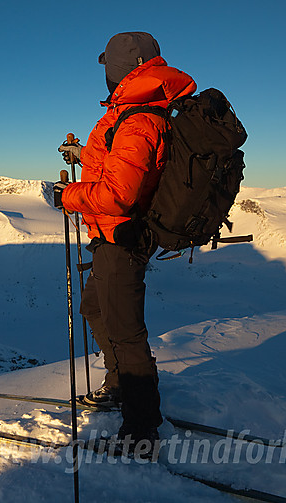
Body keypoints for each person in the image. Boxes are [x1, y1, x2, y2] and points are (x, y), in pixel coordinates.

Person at [53, 31, 196, 456]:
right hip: (109, 235)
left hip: (120, 238)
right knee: (96, 308)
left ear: (122, 69)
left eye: (107, 68)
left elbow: (119, 193)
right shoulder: (136, 111)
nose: (105, 76)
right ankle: (118, 386)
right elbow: (122, 161)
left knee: (126, 332)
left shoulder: (138, 119)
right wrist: (83, 154)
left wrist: (68, 197)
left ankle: (141, 429)